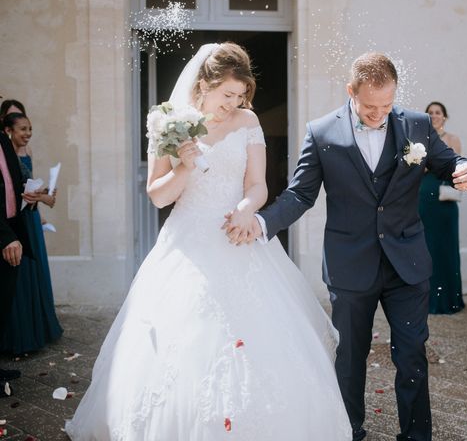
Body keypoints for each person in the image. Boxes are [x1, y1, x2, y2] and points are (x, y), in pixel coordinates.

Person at [65, 43, 352, 440]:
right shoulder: (167, 123)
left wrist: (247, 209)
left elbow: (257, 185)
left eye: (239, 96)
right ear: (204, 85)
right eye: (226, 96)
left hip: (238, 237)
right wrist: (184, 164)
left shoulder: (247, 121)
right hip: (188, 240)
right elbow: (158, 195)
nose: (232, 104)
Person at [229, 52, 467, 441]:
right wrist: (262, 222)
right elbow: (300, 195)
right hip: (350, 265)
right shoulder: (322, 132)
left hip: (407, 263)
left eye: (386, 104)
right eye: (369, 106)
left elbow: (449, 163)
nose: (379, 113)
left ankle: (416, 436)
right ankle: (349, 431)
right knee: (349, 359)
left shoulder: (417, 123)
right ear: (351, 91)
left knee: (412, 354)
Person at [1, 112, 62, 354]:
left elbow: (24, 185)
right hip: (14, 223)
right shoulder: (6, 152)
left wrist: (44, 193)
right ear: (9, 130)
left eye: (30, 129)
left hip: (27, 215)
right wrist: (45, 197)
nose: (27, 134)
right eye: (22, 129)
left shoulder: (20, 150)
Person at [419, 101, 464, 314]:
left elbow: (458, 168)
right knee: (426, 246)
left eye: (438, 112)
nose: (434, 115)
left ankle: (448, 299)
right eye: (430, 113)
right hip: (424, 197)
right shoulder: (419, 139)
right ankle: (426, 300)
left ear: (444, 117)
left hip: (444, 198)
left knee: (446, 247)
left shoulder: (453, 140)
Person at [0, 128, 30, 395]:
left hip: (11, 230)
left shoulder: (2, 139)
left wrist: (28, 196)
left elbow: (11, 184)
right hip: (2, 236)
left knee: (2, 306)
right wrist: (5, 236)